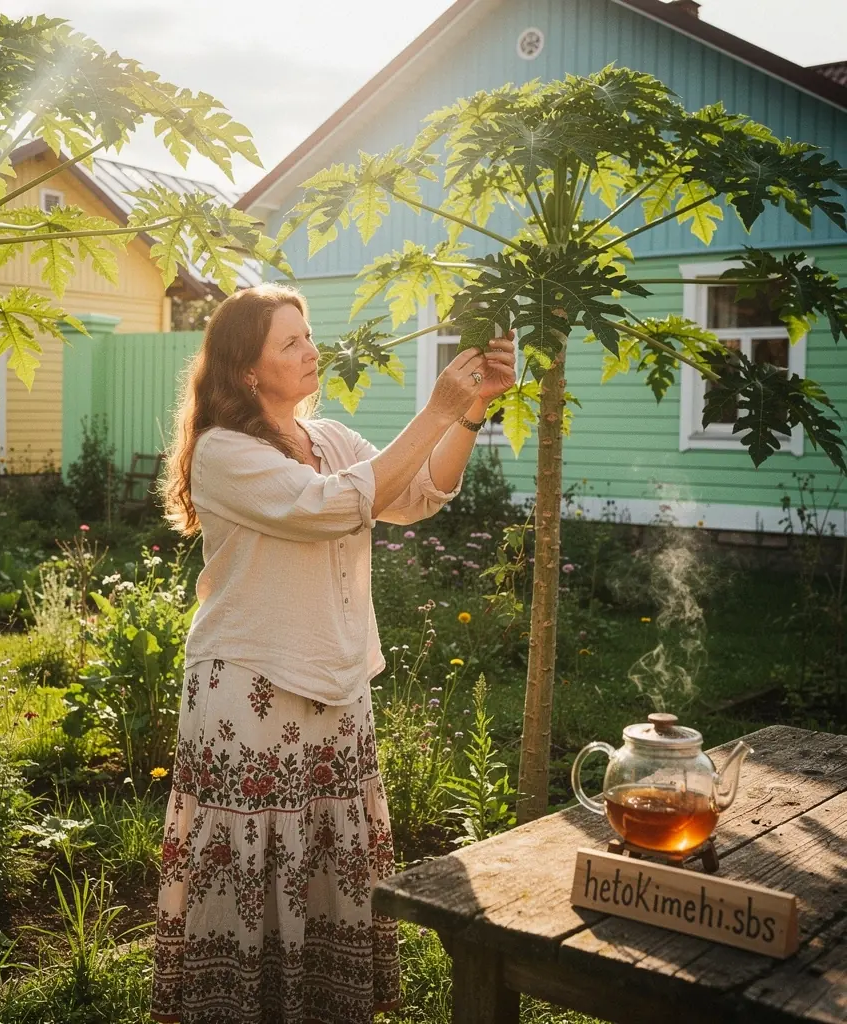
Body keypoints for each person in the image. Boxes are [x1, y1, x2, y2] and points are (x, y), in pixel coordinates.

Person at [153, 283, 516, 1024]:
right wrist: (436, 408)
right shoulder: (225, 453)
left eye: (307, 334)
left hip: (337, 686)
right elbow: (328, 509)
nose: (311, 349)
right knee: (250, 864)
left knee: (325, 862)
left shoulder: (333, 442)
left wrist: (473, 409)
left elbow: (416, 494)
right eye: (290, 342)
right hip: (247, 695)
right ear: (247, 372)